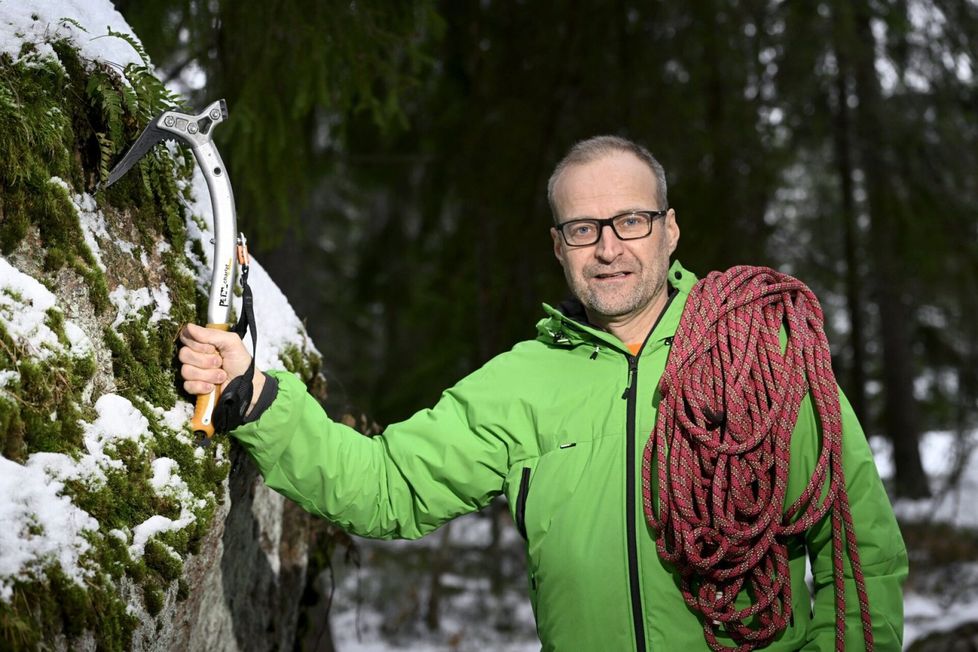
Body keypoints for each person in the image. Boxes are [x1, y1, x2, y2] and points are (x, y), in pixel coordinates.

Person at [179, 136, 907, 651]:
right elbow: (385, 488)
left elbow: (857, 551)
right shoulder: (521, 383)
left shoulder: (762, 356)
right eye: (583, 228)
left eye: (631, 221)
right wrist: (257, 399)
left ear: (670, 230)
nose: (609, 248)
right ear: (559, 246)